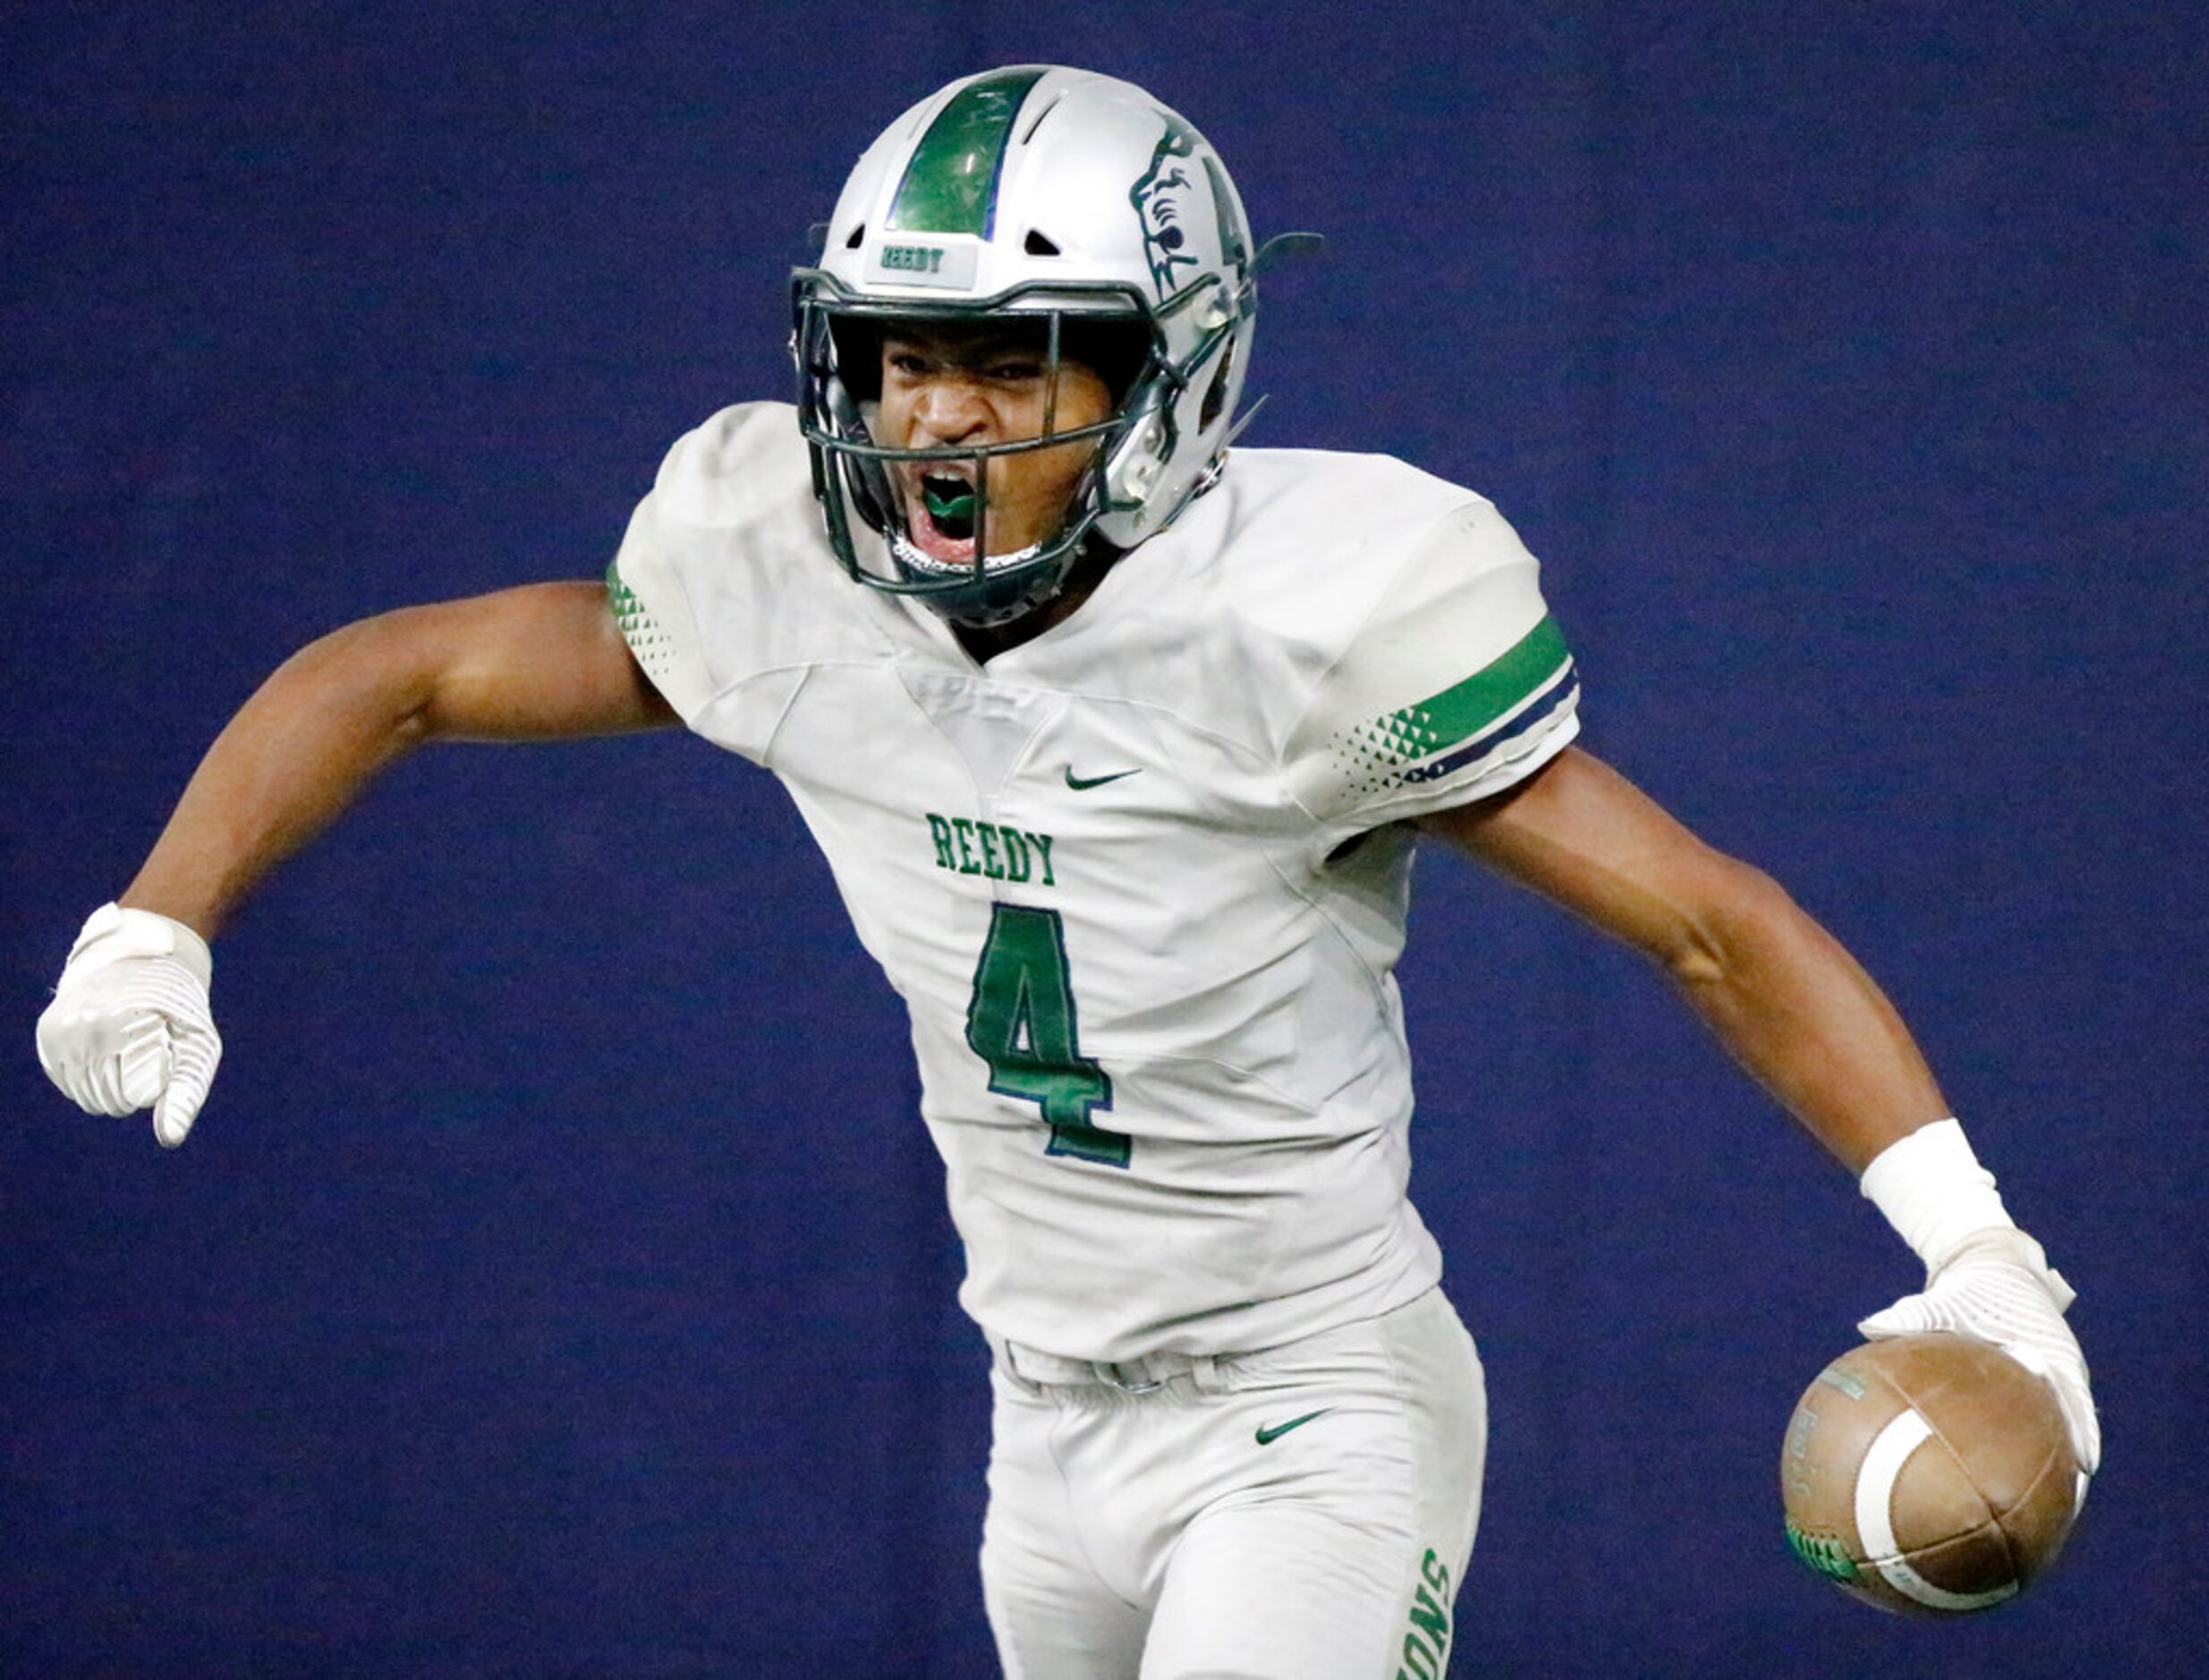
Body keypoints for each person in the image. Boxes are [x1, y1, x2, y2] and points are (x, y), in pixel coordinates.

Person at [36, 65, 2095, 1678]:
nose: (931, 417)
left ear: (1161, 377)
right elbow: (392, 674)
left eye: (1010, 361)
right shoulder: (785, 583)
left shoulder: (1310, 627)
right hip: (1042, 1421)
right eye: (896, 359)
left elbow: (1707, 925)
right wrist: (162, 917)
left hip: (1309, 1404)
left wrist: (1978, 1247)